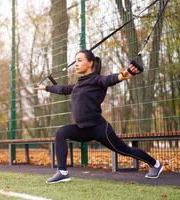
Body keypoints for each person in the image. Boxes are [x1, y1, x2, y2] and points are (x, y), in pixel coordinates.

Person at [35, 49, 164, 184]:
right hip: (83, 129)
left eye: (80, 60)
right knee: (61, 132)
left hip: (99, 129)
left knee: (124, 150)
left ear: (90, 63)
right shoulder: (78, 84)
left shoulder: (97, 80)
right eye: (75, 61)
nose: (76, 64)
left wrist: (123, 75)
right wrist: (46, 88)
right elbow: (63, 89)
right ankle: (62, 172)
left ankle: (155, 164)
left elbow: (110, 79)